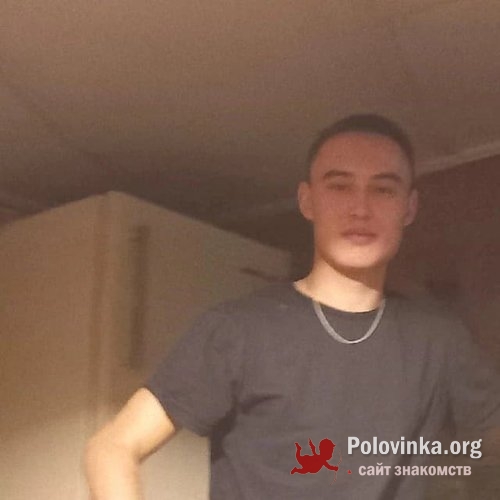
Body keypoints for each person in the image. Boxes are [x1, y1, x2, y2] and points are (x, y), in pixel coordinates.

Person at [85, 114, 500, 499]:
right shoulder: (238, 330)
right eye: (339, 186)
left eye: (383, 189)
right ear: (308, 200)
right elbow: (113, 448)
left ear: (408, 208)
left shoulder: (440, 339)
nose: (361, 208)